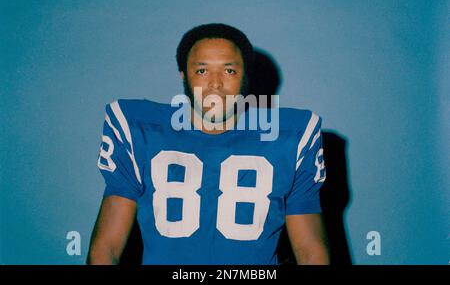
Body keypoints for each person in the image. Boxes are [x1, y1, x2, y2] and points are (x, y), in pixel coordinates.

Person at [87, 23, 330, 265]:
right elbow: (106, 248)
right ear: (184, 75)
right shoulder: (140, 131)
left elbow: (311, 251)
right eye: (202, 71)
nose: (215, 83)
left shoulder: (290, 138)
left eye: (229, 71)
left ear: (246, 75)